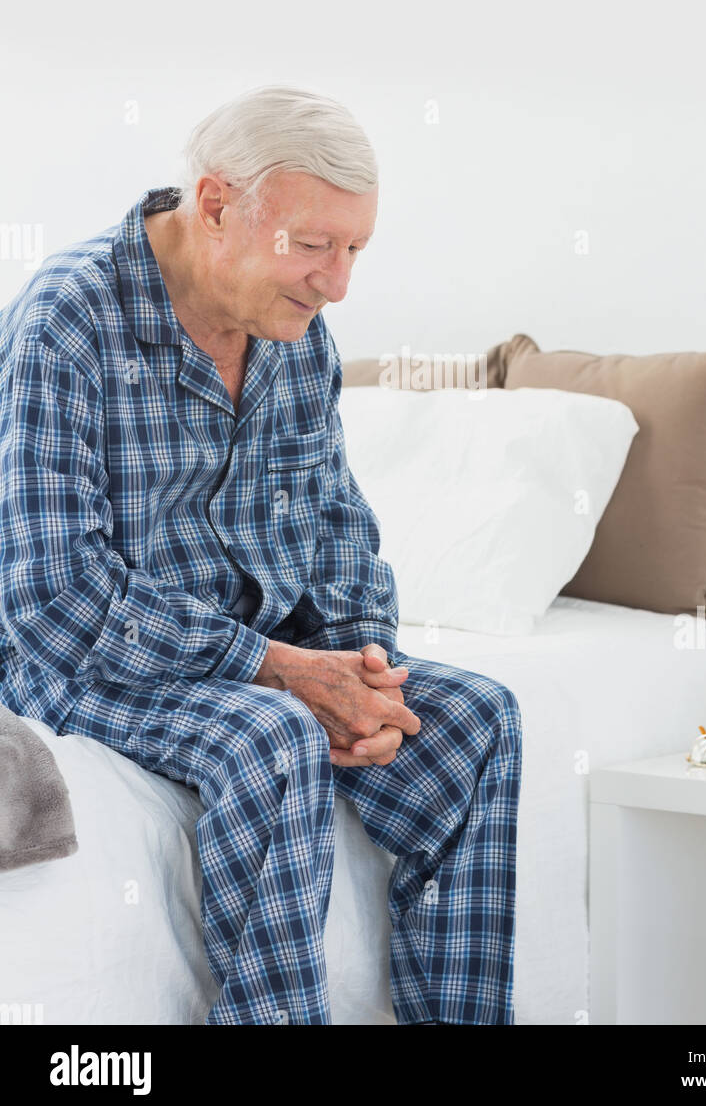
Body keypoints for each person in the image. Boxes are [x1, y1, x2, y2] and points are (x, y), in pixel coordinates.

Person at [0, 85, 522, 1025]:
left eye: (356, 248)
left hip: (256, 653)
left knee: (480, 720)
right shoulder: (67, 321)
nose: (338, 282)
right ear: (213, 206)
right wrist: (281, 672)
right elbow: (54, 600)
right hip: (95, 663)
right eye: (315, 245)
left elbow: (335, 528)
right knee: (271, 738)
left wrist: (364, 668)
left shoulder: (297, 336)